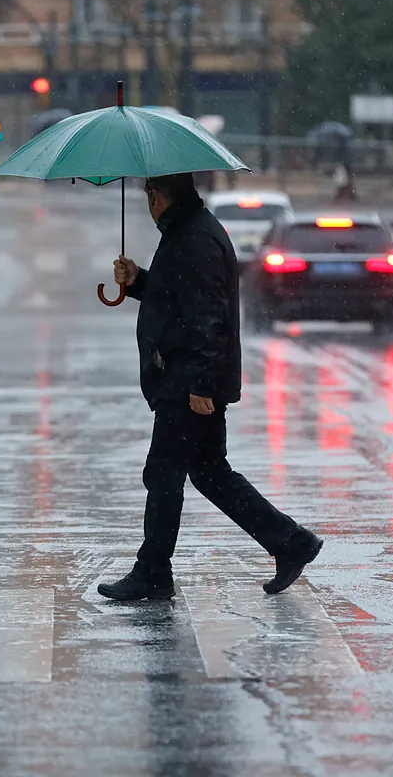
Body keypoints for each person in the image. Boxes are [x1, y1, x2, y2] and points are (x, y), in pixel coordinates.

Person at [97, 173, 324, 602]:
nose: (148, 203)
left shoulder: (196, 238)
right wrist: (138, 280)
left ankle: (153, 572)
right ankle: (290, 542)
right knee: (209, 472)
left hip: (188, 380)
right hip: (188, 375)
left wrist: (201, 383)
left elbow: (208, 318)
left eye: (150, 194)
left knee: (164, 473)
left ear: (164, 195)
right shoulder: (189, 230)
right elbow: (176, 298)